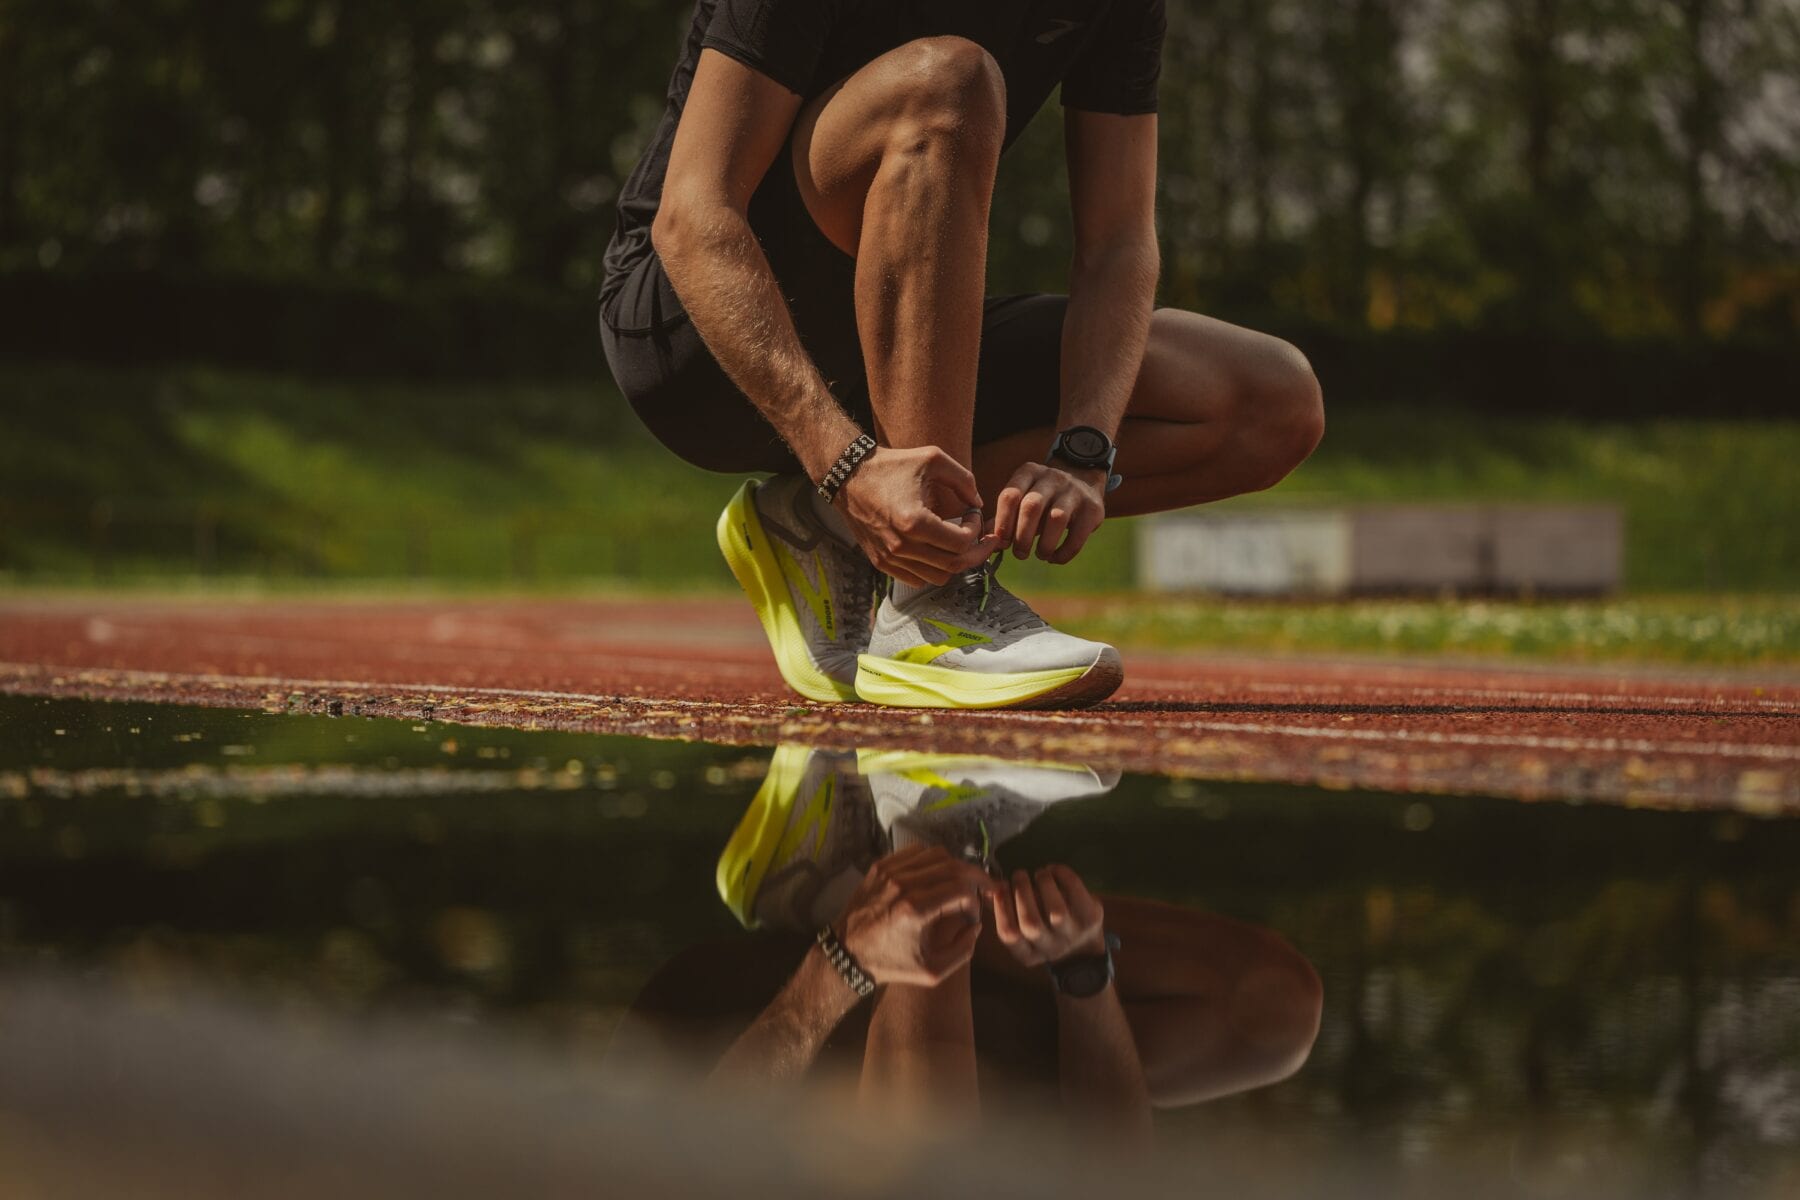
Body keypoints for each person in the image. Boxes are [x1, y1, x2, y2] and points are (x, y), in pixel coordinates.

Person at [600, 0, 1325, 710]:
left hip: (891, 338)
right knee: (950, 80)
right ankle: (932, 607)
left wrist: (1084, 447)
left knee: (1269, 400)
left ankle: (827, 528)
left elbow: (1119, 246)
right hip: (698, 338)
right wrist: (841, 459)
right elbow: (694, 218)